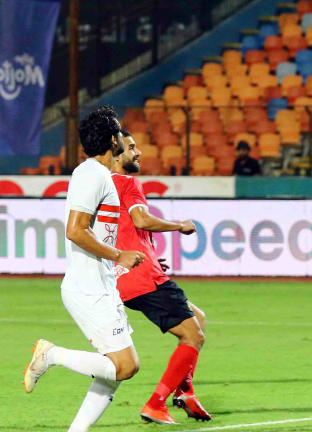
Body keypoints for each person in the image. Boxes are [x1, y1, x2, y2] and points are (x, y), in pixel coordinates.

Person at [23, 106, 146, 432]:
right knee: (125, 366)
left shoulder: (98, 174)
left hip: (100, 283)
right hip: (89, 287)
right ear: (111, 139)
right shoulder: (91, 175)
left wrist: (115, 262)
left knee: (116, 369)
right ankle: (52, 355)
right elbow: (76, 230)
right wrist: (119, 255)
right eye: (119, 132)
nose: (123, 136)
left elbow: (92, 230)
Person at [110, 130, 212, 423]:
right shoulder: (128, 183)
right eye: (131, 148)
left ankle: (186, 392)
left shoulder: (105, 187)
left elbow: (124, 231)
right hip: (143, 278)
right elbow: (141, 219)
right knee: (193, 335)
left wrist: (150, 257)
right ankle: (156, 402)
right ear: (117, 155)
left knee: (198, 319)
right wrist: (180, 226)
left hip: (126, 277)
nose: (138, 152)